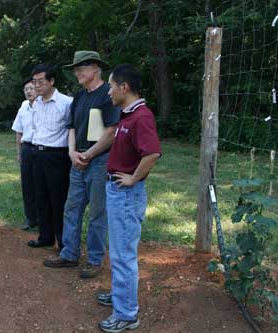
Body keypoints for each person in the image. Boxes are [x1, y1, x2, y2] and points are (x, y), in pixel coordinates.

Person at [43, 51, 119, 279]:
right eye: (75, 69)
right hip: (78, 159)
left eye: (81, 68)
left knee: (97, 212)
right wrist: (72, 153)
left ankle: (95, 260)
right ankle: (70, 254)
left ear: (95, 68)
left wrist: (90, 154)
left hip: (100, 161)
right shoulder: (79, 97)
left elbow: (111, 131)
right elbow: (72, 128)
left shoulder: (108, 94)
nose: (77, 72)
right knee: (72, 208)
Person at [98, 64, 161, 332]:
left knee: (123, 254)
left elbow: (152, 153)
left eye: (111, 85)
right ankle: (121, 296)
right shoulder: (128, 114)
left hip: (126, 194)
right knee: (119, 249)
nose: (109, 91)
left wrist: (133, 178)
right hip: (117, 191)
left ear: (124, 87)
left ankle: (126, 314)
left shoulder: (141, 117)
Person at [26, 64, 72, 249]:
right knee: (41, 197)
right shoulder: (36, 103)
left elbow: (72, 130)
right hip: (37, 153)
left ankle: (63, 241)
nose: (37, 86)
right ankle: (45, 236)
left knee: (58, 199)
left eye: (41, 82)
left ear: (52, 81)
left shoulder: (66, 103)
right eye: (34, 82)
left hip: (57, 157)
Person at [12, 78, 39, 230]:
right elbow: (18, 131)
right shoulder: (23, 107)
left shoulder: (43, 105)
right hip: (27, 148)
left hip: (41, 148)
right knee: (27, 184)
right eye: (26, 89)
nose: (28, 91)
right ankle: (30, 218)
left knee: (40, 184)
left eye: (31, 88)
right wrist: (19, 152)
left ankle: (43, 219)